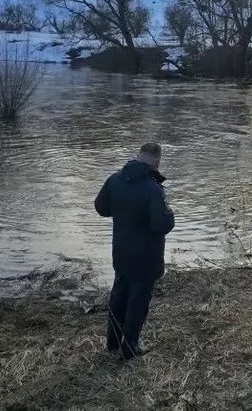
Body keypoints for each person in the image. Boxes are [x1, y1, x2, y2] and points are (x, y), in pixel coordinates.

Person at [95, 142, 175, 360]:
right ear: (157, 161)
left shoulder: (114, 180)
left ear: (138, 157)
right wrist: (171, 215)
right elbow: (161, 225)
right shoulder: (153, 189)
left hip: (120, 250)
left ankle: (112, 342)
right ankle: (130, 346)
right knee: (138, 300)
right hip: (146, 256)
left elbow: (101, 207)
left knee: (119, 294)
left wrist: (123, 211)